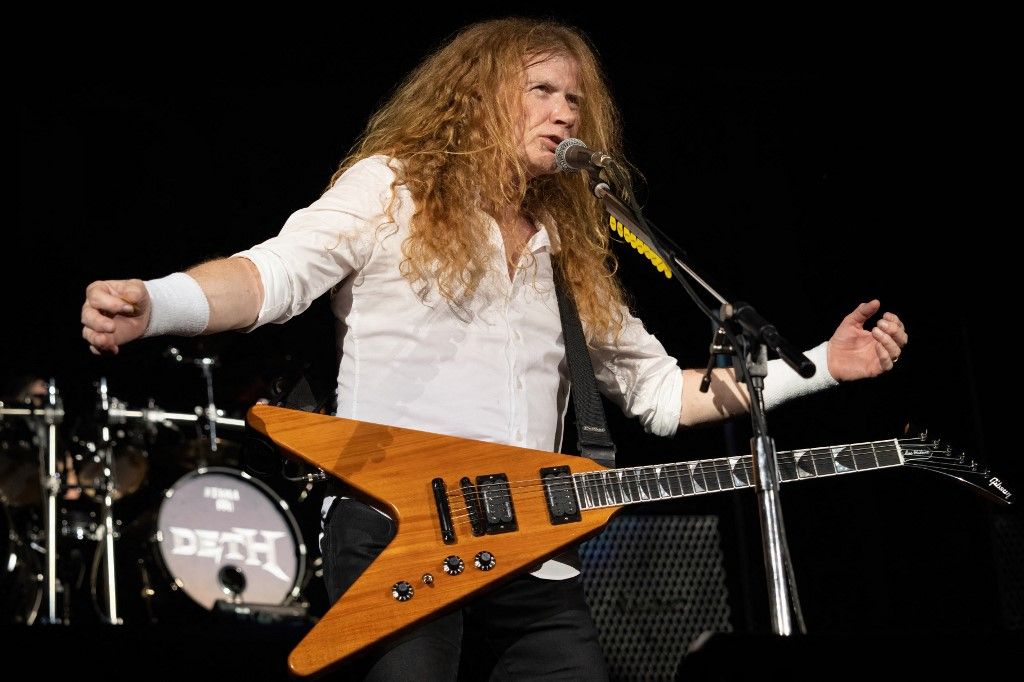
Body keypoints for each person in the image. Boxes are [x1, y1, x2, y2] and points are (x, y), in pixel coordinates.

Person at [80, 17, 908, 681]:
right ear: (474, 99)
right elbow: (273, 276)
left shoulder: (569, 246)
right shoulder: (391, 189)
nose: (565, 113)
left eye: (574, 99)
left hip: (534, 555)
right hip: (398, 527)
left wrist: (822, 365)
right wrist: (158, 303)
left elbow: (661, 395)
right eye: (540, 91)